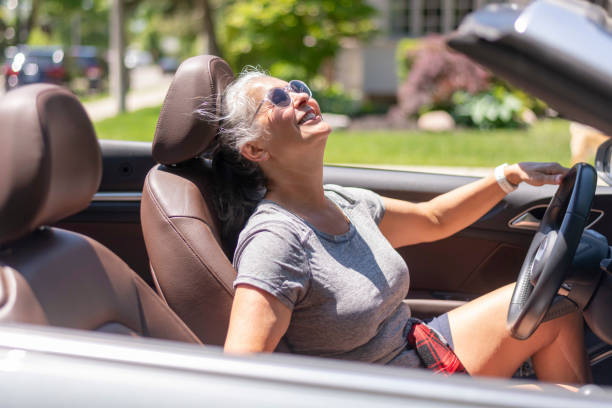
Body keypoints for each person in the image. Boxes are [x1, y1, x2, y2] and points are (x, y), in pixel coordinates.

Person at [207, 69, 590, 384]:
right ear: (255, 150)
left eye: (297, 88)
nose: (301, 97)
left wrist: (509, 176)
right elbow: (243, 372)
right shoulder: (275, 240)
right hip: (392, 392)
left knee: (555, 309)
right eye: (277, 100)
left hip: (416, 352)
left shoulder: (344, 201)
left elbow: (435, 218)